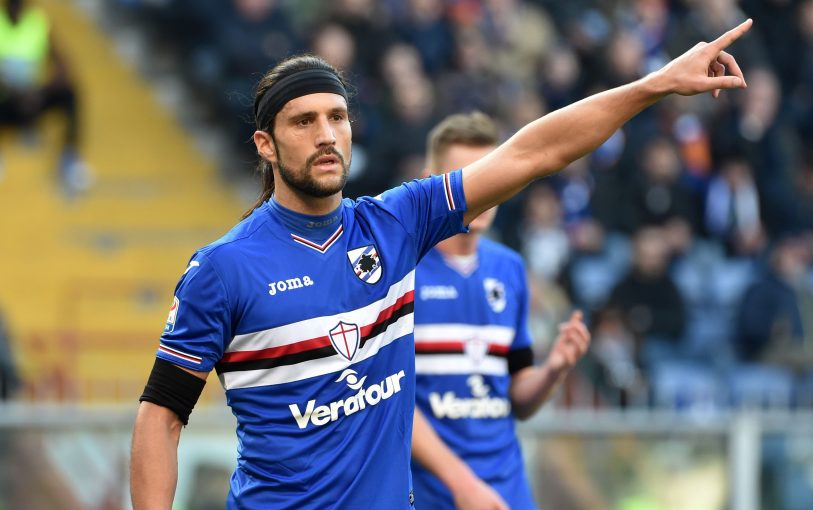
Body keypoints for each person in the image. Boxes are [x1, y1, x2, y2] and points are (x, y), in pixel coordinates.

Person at [129, 18, 753, 510]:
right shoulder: (223, 269)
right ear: (265, 145)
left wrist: (652, 86)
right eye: (303, 121)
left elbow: (535, 152)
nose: (326, 134)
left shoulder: (397, 223)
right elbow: (161, 416)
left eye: (337, 117)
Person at [410, 111, 590, 510]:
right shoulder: (403, 270)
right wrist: (461, 483)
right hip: (431, 493)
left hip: (507, 488)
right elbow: (391, 405)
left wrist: (553, 369)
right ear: (429, 180)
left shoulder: (510, 269)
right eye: (465, 177)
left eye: (490, 173)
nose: (482, 189)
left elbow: (517, 396)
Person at [0, 0, 89, 194]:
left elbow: (63, 66)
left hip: (32, 98)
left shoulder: (37, 23)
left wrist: (41, 92)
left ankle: (69, 157)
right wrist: (16, 93)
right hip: (5, 100)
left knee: (68, 94)